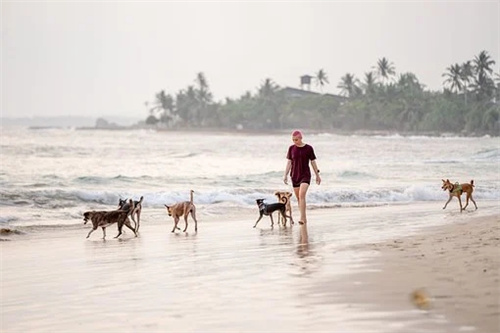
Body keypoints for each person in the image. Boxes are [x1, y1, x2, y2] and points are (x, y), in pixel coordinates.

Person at [283, 130, 321, 225]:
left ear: (301, 138)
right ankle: (304, 217)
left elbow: (313, 162)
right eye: (293, 140)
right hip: (295, 176)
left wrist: (317, 175)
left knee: (301, 195)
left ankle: (302, 218)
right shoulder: (291, 148)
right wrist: (285, 175)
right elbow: (289, 163)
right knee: (299, 199)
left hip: (305, 175)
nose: (294, 141)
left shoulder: (308, 148)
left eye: (296, 139)